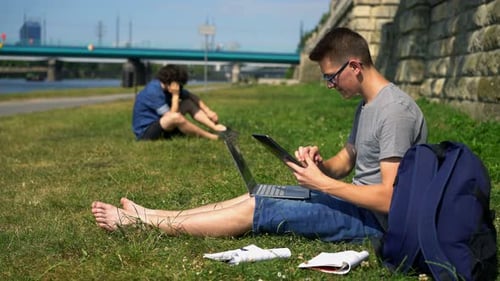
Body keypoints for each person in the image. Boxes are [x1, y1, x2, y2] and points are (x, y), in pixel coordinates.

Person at [92, 27, 428, 241]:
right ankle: (149, 215)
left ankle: (143, 225)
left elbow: (390, 198)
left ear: (354, 66)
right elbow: (347, 161)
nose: (329, 85)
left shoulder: (394, 111)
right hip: (351, 201)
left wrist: (323, 185)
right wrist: (319, 166)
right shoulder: (367, 106)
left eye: (331, 77)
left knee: (256, 210)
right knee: (254, 196)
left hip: (374, 223)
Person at [132, 64, 227, 141]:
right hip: (145, 133)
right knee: (176, 117)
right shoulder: (153, 91)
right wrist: (175, 95)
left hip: (161, 123)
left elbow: (191, 96)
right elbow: (172, 116)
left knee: (187, 103)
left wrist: (208, 111)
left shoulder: (168, 86)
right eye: (179, 84)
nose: (180, 87)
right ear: (171, 82)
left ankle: (215, 128)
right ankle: (212, 137)